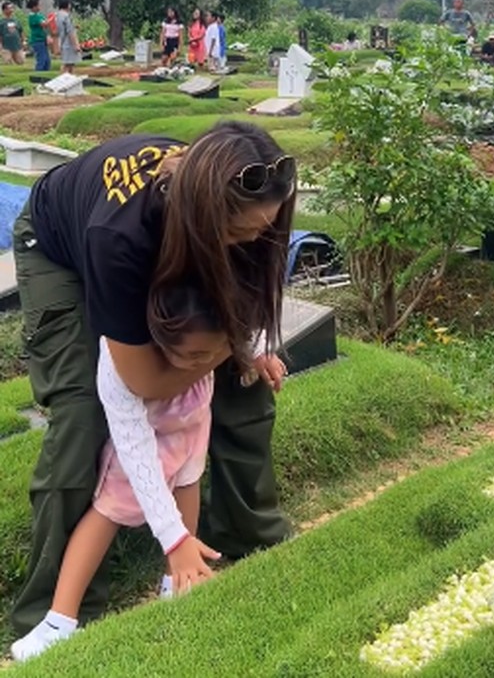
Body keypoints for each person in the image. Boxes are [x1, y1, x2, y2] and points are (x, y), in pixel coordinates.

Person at [11, 121, 296, 638]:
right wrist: (223, 351)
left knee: (241, 375)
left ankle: (244, 531)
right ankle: (57, 615)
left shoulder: (239, 206)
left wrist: (242, 351)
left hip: (168, 238)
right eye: (244, 233)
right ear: (206, 217)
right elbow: (141, 382)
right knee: (82, 410)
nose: (260, 241)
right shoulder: (119, 238)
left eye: (268, 228)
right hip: (58, 248)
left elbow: (236, 315)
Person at [11, 284, 236, 660]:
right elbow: (133, 445)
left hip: (193, 426)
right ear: (161, 340)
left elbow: (241, 332)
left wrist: (259, 355)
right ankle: (59, 618)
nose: (208, 361)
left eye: (215, 353)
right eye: (197, 354)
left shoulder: (205, 343)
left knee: (189, 481)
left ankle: (180, 580)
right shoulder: (126, 362)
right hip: (145, 436)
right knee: (108, 510)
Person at [56, 0, 82, 74]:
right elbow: (70, 32)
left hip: (62, 41)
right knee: (68, 65)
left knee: (68, 63)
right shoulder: (66, 16)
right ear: (68, 5)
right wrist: (76, 45)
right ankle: (65, 81)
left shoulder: (58, 15)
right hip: (68, 43)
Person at [26, 0, 51, 72]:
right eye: (38, 5)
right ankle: (38, 76)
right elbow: (44, 24)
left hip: (43, 40)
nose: (39, 7)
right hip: (37, 41)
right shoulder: (32, 17)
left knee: (47, 60)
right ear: (33, 7)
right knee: (41, 59)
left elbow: (46, 25)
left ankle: (45, 75)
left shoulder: (39, 15)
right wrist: (53, 18)